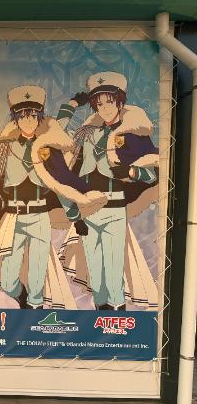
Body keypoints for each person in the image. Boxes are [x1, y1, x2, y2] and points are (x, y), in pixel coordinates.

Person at [0, 85, 106, 309]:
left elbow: (59, 185)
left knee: (38, 272)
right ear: (16, 119)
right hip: (13, 217)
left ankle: (33, 308)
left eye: (33, 116)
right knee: (8, 279)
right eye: (23, 116)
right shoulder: (6, 148)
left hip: (39, 217)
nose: (28, 121)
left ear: (39, 118)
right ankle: (19, 296)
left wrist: (75, 217)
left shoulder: (47, 148)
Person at [57, 72, 159, 310]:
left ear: (120, 102)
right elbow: (57, 141)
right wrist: (71, 105)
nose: (104, 108)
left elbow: (151, 173)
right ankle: (100, 318)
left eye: (109, 102)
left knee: (113, 271)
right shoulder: (88, 133)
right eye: (99, 104)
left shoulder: (132, 134)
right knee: (95, 272)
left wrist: (131, 171)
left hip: (114, 208)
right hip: (88, 209)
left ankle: (116, 320)